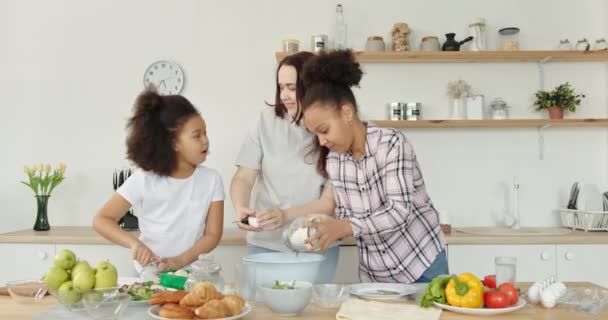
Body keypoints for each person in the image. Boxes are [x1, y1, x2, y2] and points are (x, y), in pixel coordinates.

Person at [300, 50, 447, 283]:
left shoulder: (391, 144)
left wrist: (343, 226)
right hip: (376, 276)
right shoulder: (335, 160)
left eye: (324, 130)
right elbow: (349, 219)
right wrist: (325, 228)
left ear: (347, 113)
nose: (322, 141)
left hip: (420, 264)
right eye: (315, 134)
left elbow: (398, 212)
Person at [230, 52, 339, 282]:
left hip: (316, 243)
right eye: (281, 87)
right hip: (266, 245)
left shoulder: (332, 129)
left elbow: (327, 203)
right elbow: (244, 177)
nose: (285, 96)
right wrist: (241, 207)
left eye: (291, 87)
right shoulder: (265, 121)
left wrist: (285, 215)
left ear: (311, 87)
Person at [93, 90, 224, 274]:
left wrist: (179, 261)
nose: (205, 141)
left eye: (205, 133)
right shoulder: (145, 178)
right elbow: (102, 220)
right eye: (197, 135)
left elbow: (213, 235)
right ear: (174, 143)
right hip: (148, 274)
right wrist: (134, 244)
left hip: (191, 275)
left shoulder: (212, 180)